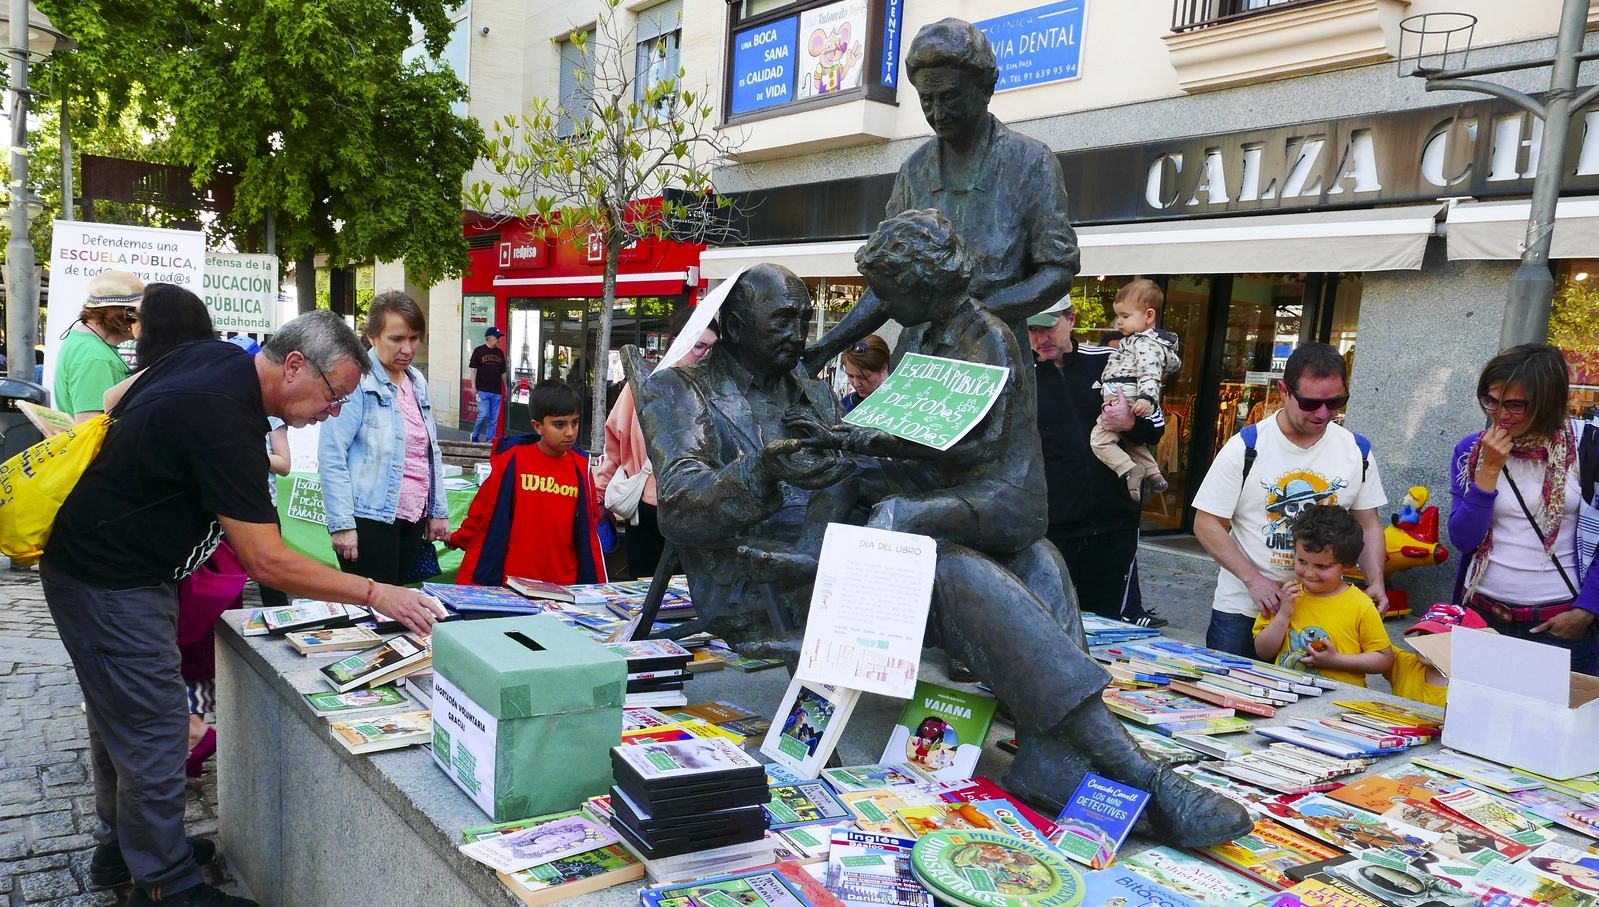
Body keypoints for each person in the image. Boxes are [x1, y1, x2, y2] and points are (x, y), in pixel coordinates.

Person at [644, 225, 1248, 847]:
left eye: (804, 319)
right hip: (767, 579)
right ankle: (1137, 771)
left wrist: (920, 456)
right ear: (734, 324)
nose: (799, 335)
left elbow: (856, 475)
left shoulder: (809, 388)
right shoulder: (679, 389)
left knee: (1033, 553)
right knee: (949, 566)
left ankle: (1047, 753)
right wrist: (764, 468)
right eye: (781, 320)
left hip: (850, 558)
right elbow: (682, 510)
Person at [41, 310, 447, 907]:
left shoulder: (219, 358)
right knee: (156, 730)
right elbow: (267, 561)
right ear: (294, 365)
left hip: (111, 566)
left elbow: (115, 398)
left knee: (118, 717)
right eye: (333, 396)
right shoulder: (226, 419)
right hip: (111, 581)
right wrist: (376, 592)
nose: (333, 412)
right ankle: (168, 886)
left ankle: (125, 847)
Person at [802, 18, 1077, 373]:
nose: (938, 113)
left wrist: (974, 318)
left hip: (992, 363)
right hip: (917, 363)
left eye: (950, 96)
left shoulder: (1031, 162)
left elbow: (1057, 271)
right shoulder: (914, 171)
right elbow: (886, 285)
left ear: (985, 89)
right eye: (926, 100)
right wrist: (825, 347)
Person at [1193, 342, 1389, 658]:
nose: (1323, 413)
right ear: (1284, 391)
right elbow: (1206, 523)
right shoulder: (1246, 447)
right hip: (1245, 608)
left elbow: (1368, 524)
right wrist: (1254, 581)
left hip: (1322, 610)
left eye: (1335, 402)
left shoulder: (1357, 451)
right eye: (1310, 403)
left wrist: (1376, 581)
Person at [1448, 343, 1599, 674]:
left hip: (1557, 624)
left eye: (1515, 405)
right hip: (1481, 615)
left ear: (1547, 402)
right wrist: (1489, 470)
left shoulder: (1588, 448)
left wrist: (1586, 611)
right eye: (1491, 400)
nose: (1500, 415)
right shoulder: (1472, 451)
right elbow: (1462, 539)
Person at [1028, 301, 1168, 627]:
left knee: (1107, 628)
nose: (1041, 338)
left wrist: (1129, 423)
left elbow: (1156, 426)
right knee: (1048, 626)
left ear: (1071, 319)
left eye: (1048, 327)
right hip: (1052, 529)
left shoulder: (1109, 359)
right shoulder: (1021, 374)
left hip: (1114, 524)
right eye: (1032, 329)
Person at [318, 291, 451, 587]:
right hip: (369, 519)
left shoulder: (417, 381)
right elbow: (331, 453)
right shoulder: (356, 379)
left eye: (414, 338)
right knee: (372, 606)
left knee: (397, 603)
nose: (407, 348)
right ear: (372, 336)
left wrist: (436, 512)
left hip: (413, 518)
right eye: (396, 339)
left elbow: (429, 453)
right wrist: (341, 524)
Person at [594, 308, 717, 578]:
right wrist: (600, 496)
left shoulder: (719, 393)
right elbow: (614, 446)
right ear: (676, 342)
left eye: (713, 348)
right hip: (648, 509)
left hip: (700, 510)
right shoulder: (643, 385)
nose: (706, 355)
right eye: (699, 346)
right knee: (644, 589)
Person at [451, 379, 608, 586]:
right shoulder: (513, 460)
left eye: (575, 422)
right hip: (514, 581)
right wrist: (458, 538)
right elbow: (485, 509)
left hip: (564, 582)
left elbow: (588, 524)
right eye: (559, 424)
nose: (570, 432)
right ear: (537, 426)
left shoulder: (581, 467)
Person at [1252, 505, 1393, 687]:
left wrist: (1336, 660)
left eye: (1322, 566)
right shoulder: (1287, 597)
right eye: (1302, 561)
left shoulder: (1361, 605)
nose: (1309, 573)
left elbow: (1384, 659)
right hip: (1287, 695)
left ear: (1346, 564)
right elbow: (1263, 651)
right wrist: (1284, 615)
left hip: (1341, 699)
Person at [1090, 280, 1180, 501]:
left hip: (1123, 393)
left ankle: (1130, 469)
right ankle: (1154, 474)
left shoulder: (1143, 343)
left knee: (1100, 440)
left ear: (1149, 316)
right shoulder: (1138, 342)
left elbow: (1150, 372)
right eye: (1118, 316)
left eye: (1125, 316)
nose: (1119, 322)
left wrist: (1147, 397)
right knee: (1130, 441)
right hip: (1127, 392)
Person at [55, 269, 142, 423]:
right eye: (137, 314)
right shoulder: (95, 356)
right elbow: (90, 425)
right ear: (123, 314)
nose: (141, 321)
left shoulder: (83, 342)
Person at [1381, 603, 1484, 707]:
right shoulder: (1404, 664)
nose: (1425, 642)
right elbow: (1376, 643)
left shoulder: (1476, 693)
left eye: (1439, 638)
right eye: (1423, 634)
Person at [469, 326, 507, 443]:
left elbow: (503, 372)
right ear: (489, 338)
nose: (499, 340)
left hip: (496, 391)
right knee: (484, 414)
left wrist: (506, 388)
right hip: (482, 390)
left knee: (494, 419)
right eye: (497, 337)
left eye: (500, 338)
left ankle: (489, 441)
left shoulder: (500, 353)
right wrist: (473, 386)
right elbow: (473, 370)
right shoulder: (479, 351)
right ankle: (475, 435)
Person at [840, 335, 890, 412]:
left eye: (863, 377)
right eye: (850, 376)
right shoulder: (845, 405)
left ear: (884, 369)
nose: (856, 384)